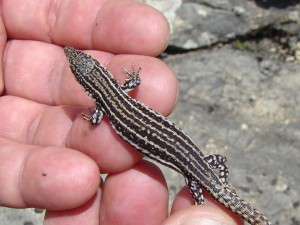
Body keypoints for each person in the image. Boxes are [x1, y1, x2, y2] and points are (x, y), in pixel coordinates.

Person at [0, 1, 243, 224]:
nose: (73, 55)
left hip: (195, 173)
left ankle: (211, 199)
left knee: (202, 201)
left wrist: (89, 117)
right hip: (198, 163)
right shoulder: (117, 91)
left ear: (86, 84)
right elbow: (134, 83)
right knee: (217, 166)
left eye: (79, 62)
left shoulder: (103, 106)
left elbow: (95, 121)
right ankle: (221, 191)